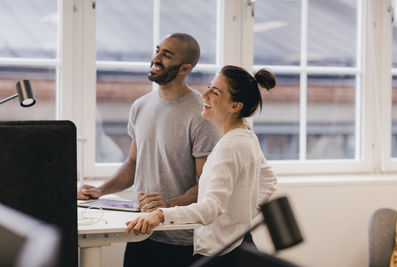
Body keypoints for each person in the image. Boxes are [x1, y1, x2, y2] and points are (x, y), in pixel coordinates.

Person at [77, 33, 220, 267]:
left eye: (167, 54)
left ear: (185, 68)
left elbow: (207, 185)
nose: (156, 57)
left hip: (180, 239)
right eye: (157, 50)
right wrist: (100, 190)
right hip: (139, 231)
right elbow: (134, 163)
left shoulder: (201, 115)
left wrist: (168, 205)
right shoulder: (140, 106)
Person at [125, 65, 278, 264]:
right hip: (236, 244)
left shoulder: (229, 147)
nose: (204, 94)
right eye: (208, 87)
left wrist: (161, 214)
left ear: (235, 106)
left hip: (220, 254)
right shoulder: (246, 135)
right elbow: (269, 181)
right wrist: (240, 218)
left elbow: (210, 208)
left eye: (214, 92)